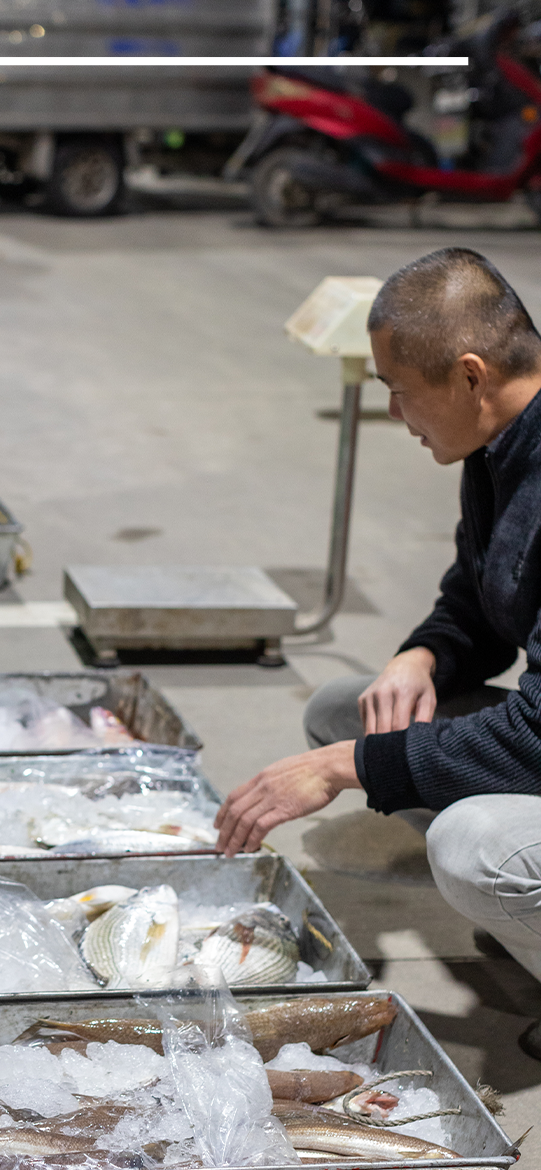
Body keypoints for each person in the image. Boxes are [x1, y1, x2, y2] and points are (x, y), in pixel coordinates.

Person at [214, 247, 541, 1058]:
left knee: (474, 848)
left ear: (470, 376)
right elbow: (480, 598)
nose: (394, 412)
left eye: (399, 390)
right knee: (347, 710)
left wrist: (340, 770)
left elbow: (537, 735)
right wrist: (423, 655)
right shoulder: (500, 447)